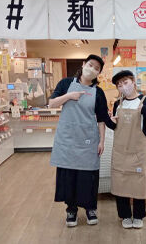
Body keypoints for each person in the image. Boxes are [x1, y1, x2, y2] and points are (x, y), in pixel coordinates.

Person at [49, 54, 111, 227]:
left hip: (88, 141)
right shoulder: (65, 84)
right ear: (84, 64)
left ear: (98, 73)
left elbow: (101, 119)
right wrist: (69, 96)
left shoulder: (98, 92)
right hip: (68, 140)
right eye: (90, 65)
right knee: (69, 177)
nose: (92, 69)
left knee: (88, 176)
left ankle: (91, 208)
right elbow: (51, 104)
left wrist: (102, 141)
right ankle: (71, 210)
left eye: (96, 68)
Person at [108, 70, 146, 229]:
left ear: (133, 82)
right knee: (120, 180)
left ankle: (138, 215)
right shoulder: (118, 103)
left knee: (138, 182)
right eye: (119, 85)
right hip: (121, 150)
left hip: (138, 150)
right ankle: (124, 214)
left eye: (125, 82)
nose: (123, 87)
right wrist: (110, 121)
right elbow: (114, 126)